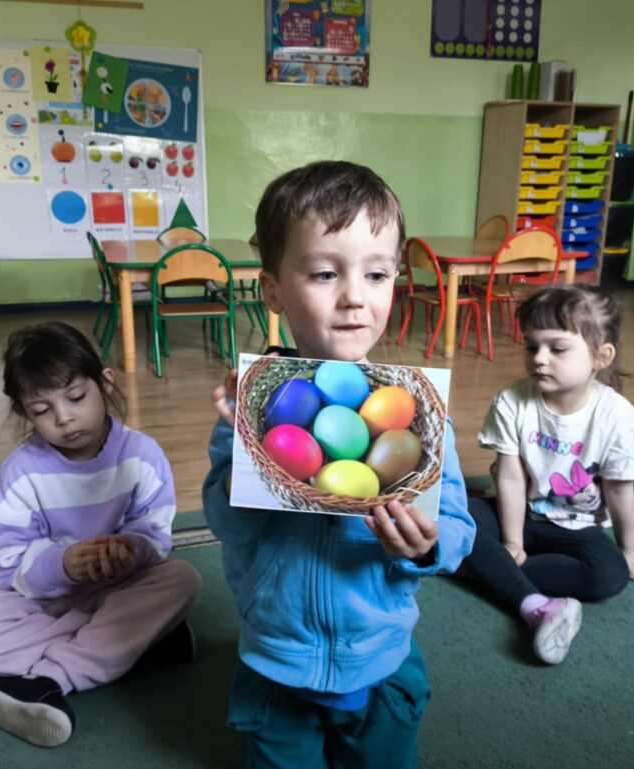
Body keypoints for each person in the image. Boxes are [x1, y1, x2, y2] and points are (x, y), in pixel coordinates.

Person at [203, 161, 475, 767]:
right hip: (277, 652)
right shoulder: (256, 409)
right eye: (325, 273)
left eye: (377, 274)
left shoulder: (413, 417)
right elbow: (223, 523)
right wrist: (247, 455)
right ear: (273, 290)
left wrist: (427, 546)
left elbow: (458, 527)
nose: (355, 296)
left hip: (379, 652)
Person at [0, 322, 202, 748]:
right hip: (41, 596)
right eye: (41, 409)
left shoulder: (142, 455)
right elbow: (4, 563)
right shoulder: (20, 472)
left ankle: (51, 678)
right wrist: (62, 564)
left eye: (76, 397)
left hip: (118, 587)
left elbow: (156, 536)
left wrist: (131, 549)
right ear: (22, 412)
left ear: (105, 382)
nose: (64, 418)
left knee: (184, 579)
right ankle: (133, 642)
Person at [456, 285, 634, 664]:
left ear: (601, 356)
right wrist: (513, 542)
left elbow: (620, 494)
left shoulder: (618, 416)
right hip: (517, 515)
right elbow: (510, 478)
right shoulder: (511, 400)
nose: (539, 358)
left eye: (557, 349)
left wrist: (629, 555)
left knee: (610, 575)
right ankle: (513, 579)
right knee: (452, 514)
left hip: (578, 529)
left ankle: (485, 567)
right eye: (531, 346)